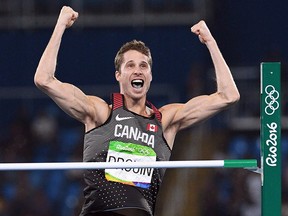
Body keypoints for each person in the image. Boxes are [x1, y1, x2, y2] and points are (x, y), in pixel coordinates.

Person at [34, 6, 240, 216]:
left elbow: (228, 96)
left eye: (143, 66)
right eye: (130, 65)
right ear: (118, 75)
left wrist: (210, 42)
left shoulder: (166, 120)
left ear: (150, 76)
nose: (137, 70)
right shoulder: (99, 113)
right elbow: (44, 79)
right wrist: (60, 25)